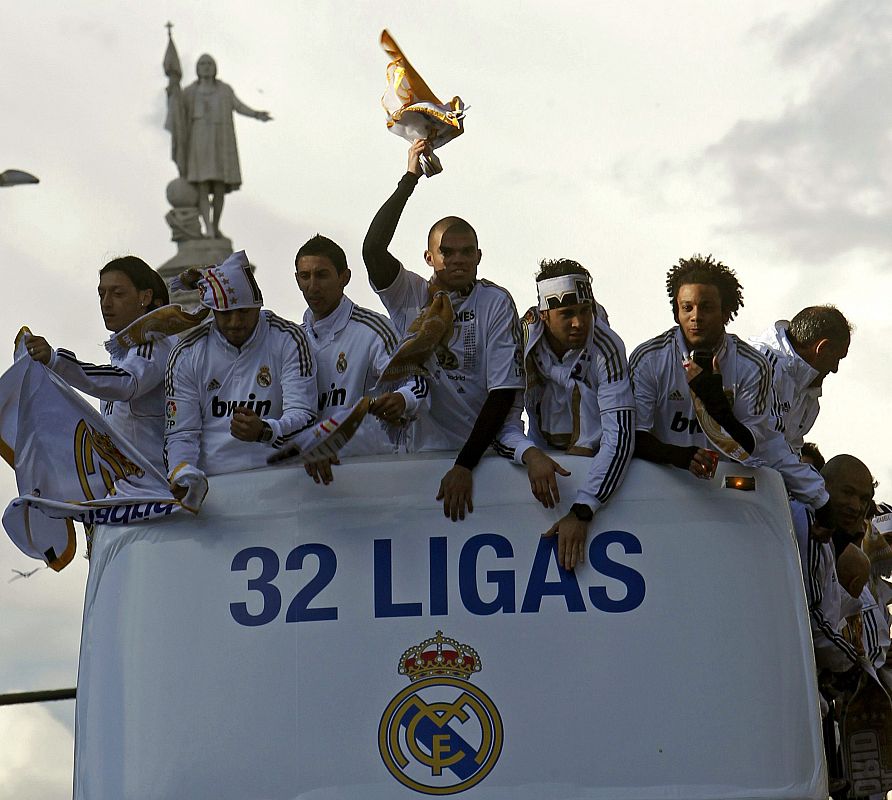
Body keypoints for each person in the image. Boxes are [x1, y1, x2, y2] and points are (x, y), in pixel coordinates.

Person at [362, 139, 524, 521]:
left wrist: (466, 465)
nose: (458, 259)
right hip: (418, 458)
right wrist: (409, 179)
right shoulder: (410, 293)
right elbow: (372, 250)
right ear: (429, 257)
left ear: (479, 256)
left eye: (467, 251)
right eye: (447, 251)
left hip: (480, 460)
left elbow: (502, 394)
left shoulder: (495, 302)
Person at [629, 253, 830, 513]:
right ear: (676, 311)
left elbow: (750, 448)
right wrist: (680, 457)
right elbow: (634, 436)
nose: (696, 317)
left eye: (707, 307)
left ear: (726, 312)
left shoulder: (753, 365)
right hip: (658, 489)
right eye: (687, 307)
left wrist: (717, 404)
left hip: (725, 498)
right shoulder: (649, 358)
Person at [498, 259, 635, 570]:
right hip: (539, 456)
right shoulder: (522, 339)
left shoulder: (608, 346)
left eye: (584, 311)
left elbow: (621, 437)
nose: (579, 323)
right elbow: (502, 424)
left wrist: (583, 510)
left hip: (593, 463)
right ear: (545, 316)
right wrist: (529, 454)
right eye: (567, 314)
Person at [164, 250, 316, 492]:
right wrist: (183, 474)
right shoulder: (187, 353)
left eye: (244, 311)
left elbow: (306, 416)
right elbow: (182, 434)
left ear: (258, 306)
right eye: (226, 313)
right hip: (215, 489)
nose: (235, 322)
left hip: (281, 483)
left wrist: (265, 431)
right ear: (213, 311)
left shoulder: (287, 338)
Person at [294, 234, 426, 484]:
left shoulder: (373, 329)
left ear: (345, 278)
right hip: (310, 480)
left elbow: (417, 381)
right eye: (305, 276)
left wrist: (402, 399)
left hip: (367, 476)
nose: (312, 285)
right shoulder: (292, 340)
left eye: (322, 275)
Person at [25, 256, 172, 473]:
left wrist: (56, 361)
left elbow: (126, 383)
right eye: (101, 294)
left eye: (118, 293)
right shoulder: (122, 351)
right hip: (127, 487)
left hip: (157, 488)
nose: (106, 303)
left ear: (145, 297)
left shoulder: (155, 341)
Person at [180, 54, 271, 239]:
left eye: (209, 64)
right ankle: (208, 228)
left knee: (219, 186)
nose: (206, 67)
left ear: (215, 67)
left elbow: (238, 106)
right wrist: (171, 89)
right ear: (197, 68)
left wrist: (256, 114)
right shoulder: (190, 92)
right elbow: (177, 108)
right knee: (203, 185)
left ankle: (215, 224)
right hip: (199, 140)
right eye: (202, 64)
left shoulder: (224, 90)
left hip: (220, 140)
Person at [749, 306, 851, 454]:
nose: (835, 368)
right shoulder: (761, 365)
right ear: (822, 348)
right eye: (837, 358)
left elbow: (790, 454)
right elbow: (767, 447)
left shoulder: (810, 399)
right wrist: (812, 478)